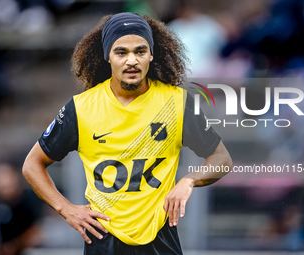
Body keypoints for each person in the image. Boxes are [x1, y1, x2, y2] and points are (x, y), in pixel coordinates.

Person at [22, 12, 232, 255]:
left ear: (151, 55)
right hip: (103, 239)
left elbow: (221, 158)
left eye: (140, 51)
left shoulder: (177, 103)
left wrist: (189, 180)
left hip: (160, 239)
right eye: (121, 52)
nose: (131, 60)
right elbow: (32, 165)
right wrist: (67, 209)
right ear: (107, 56)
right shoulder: (81, 108)